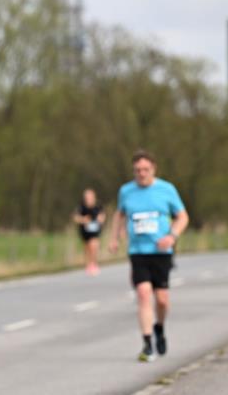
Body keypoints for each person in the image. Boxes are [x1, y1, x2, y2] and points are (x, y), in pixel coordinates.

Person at [109, 150, 189, 362]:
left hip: (161, 251)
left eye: (145, 170)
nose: (141, 174)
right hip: (138, 252)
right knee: (144, 294)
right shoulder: (126, 191)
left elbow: (182, 216)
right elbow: (119, 214)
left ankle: (159, 328)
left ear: (153, 169)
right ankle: (147, 344)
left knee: (162, 299)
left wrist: (172, 236)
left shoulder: (166, 189)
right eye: (137, 171)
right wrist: (114, 238)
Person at [73, 188, 105, 276]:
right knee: (87, 248)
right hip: (85, 231)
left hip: (95, 230)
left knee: (94, 245)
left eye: (90, 197)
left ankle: (94, 263)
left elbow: (102, 216)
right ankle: (89, 264)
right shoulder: (81, 207)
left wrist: (100, 219)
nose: (88, 198)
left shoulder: (98, 206)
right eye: (87, 197)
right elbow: (76, 218)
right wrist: (84, 220)